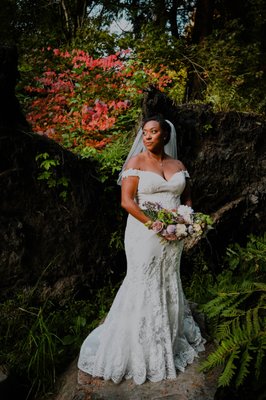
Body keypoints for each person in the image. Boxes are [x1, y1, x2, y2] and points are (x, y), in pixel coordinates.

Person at [77, 115, 205, 385]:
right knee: (144, 281)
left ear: (165, 136)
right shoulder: (135, 163)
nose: (147, 136)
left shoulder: (178, 164)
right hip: (144, 232)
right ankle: (141, 346)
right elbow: (127, 202)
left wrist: (187, 217)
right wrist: (155, 225)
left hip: (175, 234)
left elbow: (187, 196)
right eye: (145, 132)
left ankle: (168, 340)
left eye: (153, 132)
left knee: (169, 278)